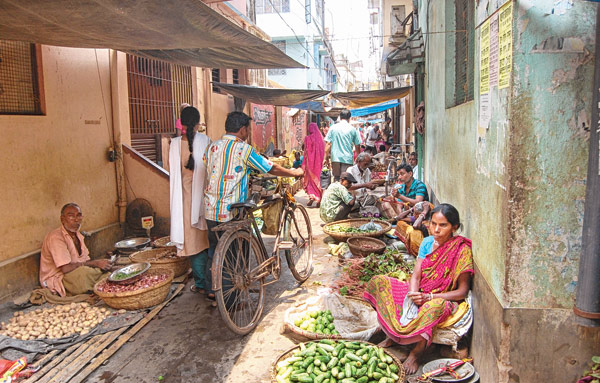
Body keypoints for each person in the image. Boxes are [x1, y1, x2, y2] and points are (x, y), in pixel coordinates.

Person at [204, 112, 303, 303]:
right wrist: (292, 172)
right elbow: (269, 168)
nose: (248, 133)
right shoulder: (243, 149)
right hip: (233, 210)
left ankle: (211, 289)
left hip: (211, 209)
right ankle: (231, 301)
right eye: (248, 129)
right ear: (242, 130)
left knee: (215, 249)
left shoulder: (212, 147)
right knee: (236, 255)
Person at [364, 204, 474, 374]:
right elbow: (416, 276)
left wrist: (429, 297)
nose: (436, 230)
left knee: (431, 308)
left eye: (443, 225)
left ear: (455, 227)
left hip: (443, 300)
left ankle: (417, 352)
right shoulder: (427, 242)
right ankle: (392, 335)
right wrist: (413, 295)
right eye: (433, 224)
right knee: (379, 282)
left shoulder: (461, 250)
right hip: (421, 293)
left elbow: (462, 292)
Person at [169, 106, 211, 300]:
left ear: (182, 123)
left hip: (184, 202)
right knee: (208, 242)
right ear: (198, 122)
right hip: (206, 201)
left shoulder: (174, 144)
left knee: (194, 246)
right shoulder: (206, 141)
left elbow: (172, 174)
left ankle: (201, 284)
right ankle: (212, 283)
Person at [39, 203, 111, 297]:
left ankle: (103, 278)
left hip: (74, 272)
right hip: (58, 278)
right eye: (71, 216)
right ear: (62, 219)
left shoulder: (78, 235)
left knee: (96, 270)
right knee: (83, 274)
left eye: (79, 215)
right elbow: (65, 268)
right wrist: (96, 263)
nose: (76, 220)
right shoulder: (55, 237)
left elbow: (86, 261)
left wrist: (102, 263)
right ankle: (100, 281)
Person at [324, 109, 361, 182]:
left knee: (337, 178)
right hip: (347, 158)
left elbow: (328, 143)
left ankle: (336, 192)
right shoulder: (352, 129)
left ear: (340, 117)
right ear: (349, 118)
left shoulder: (333, 128)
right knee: (346, 180)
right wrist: (358, 157)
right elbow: (357, 145)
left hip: (335, 158)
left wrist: (325, 158)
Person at [302, 122, 326, 207]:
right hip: (319, 165)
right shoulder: (321, 139)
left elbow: (306, 151)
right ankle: (319, 199)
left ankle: (312, 196)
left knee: (311, 181)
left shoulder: (307, 139)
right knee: (319, 180)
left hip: (310, 165)